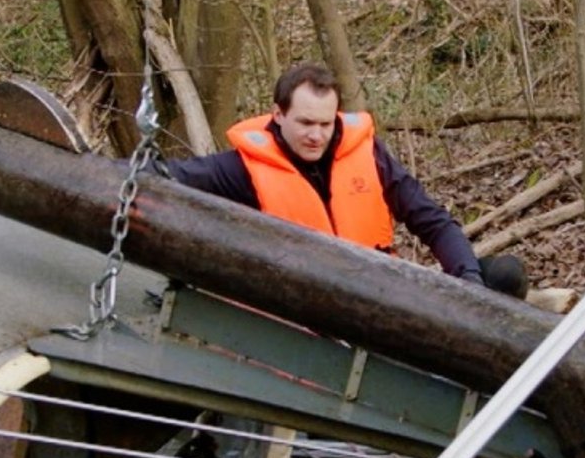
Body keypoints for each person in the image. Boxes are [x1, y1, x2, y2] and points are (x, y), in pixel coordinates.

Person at [166, 61, 527, 297]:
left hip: (385, 295)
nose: (316, 135)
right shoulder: (241, 168)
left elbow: (432, 221)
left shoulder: (369, 155)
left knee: (504, 276)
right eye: (305, 123)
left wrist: (469, 285)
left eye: (325, 124)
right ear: (278, 115)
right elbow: (170, 177)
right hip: (307, 314)